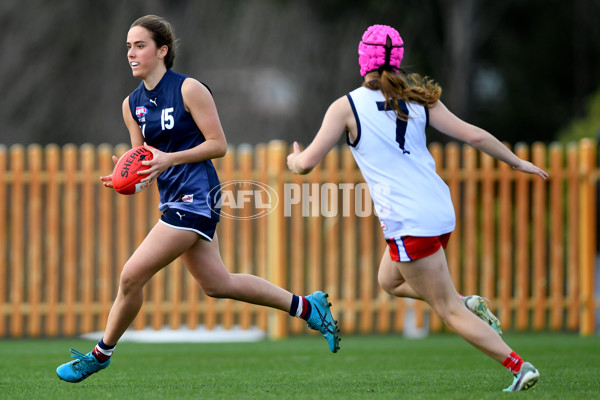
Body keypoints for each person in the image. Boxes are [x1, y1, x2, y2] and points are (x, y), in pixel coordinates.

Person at [56, 15, 340, 383]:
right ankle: (307, 306)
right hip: (172, 199)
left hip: (198, 197)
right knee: (217, 284)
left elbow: (218, 145)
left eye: (139, 45)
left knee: (130, 276)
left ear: (162, 50)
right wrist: (123, 176)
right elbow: (142, 161)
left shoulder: (190, 89)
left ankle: (100, 353)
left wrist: (170, 159)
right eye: (128, 46)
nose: (131, 53)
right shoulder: (131, 105)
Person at [286, 24, 547, 392]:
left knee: (447, 311)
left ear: (363, 59)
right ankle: (464, 299)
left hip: (409, 221)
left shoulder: (346, 106)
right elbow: (473, 134)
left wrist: (292, 160)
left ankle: (518, 365)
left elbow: (307, 163)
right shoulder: (419, 97)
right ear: (397, 59)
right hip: (440, 211)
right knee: (388, 280)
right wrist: (517, 162)